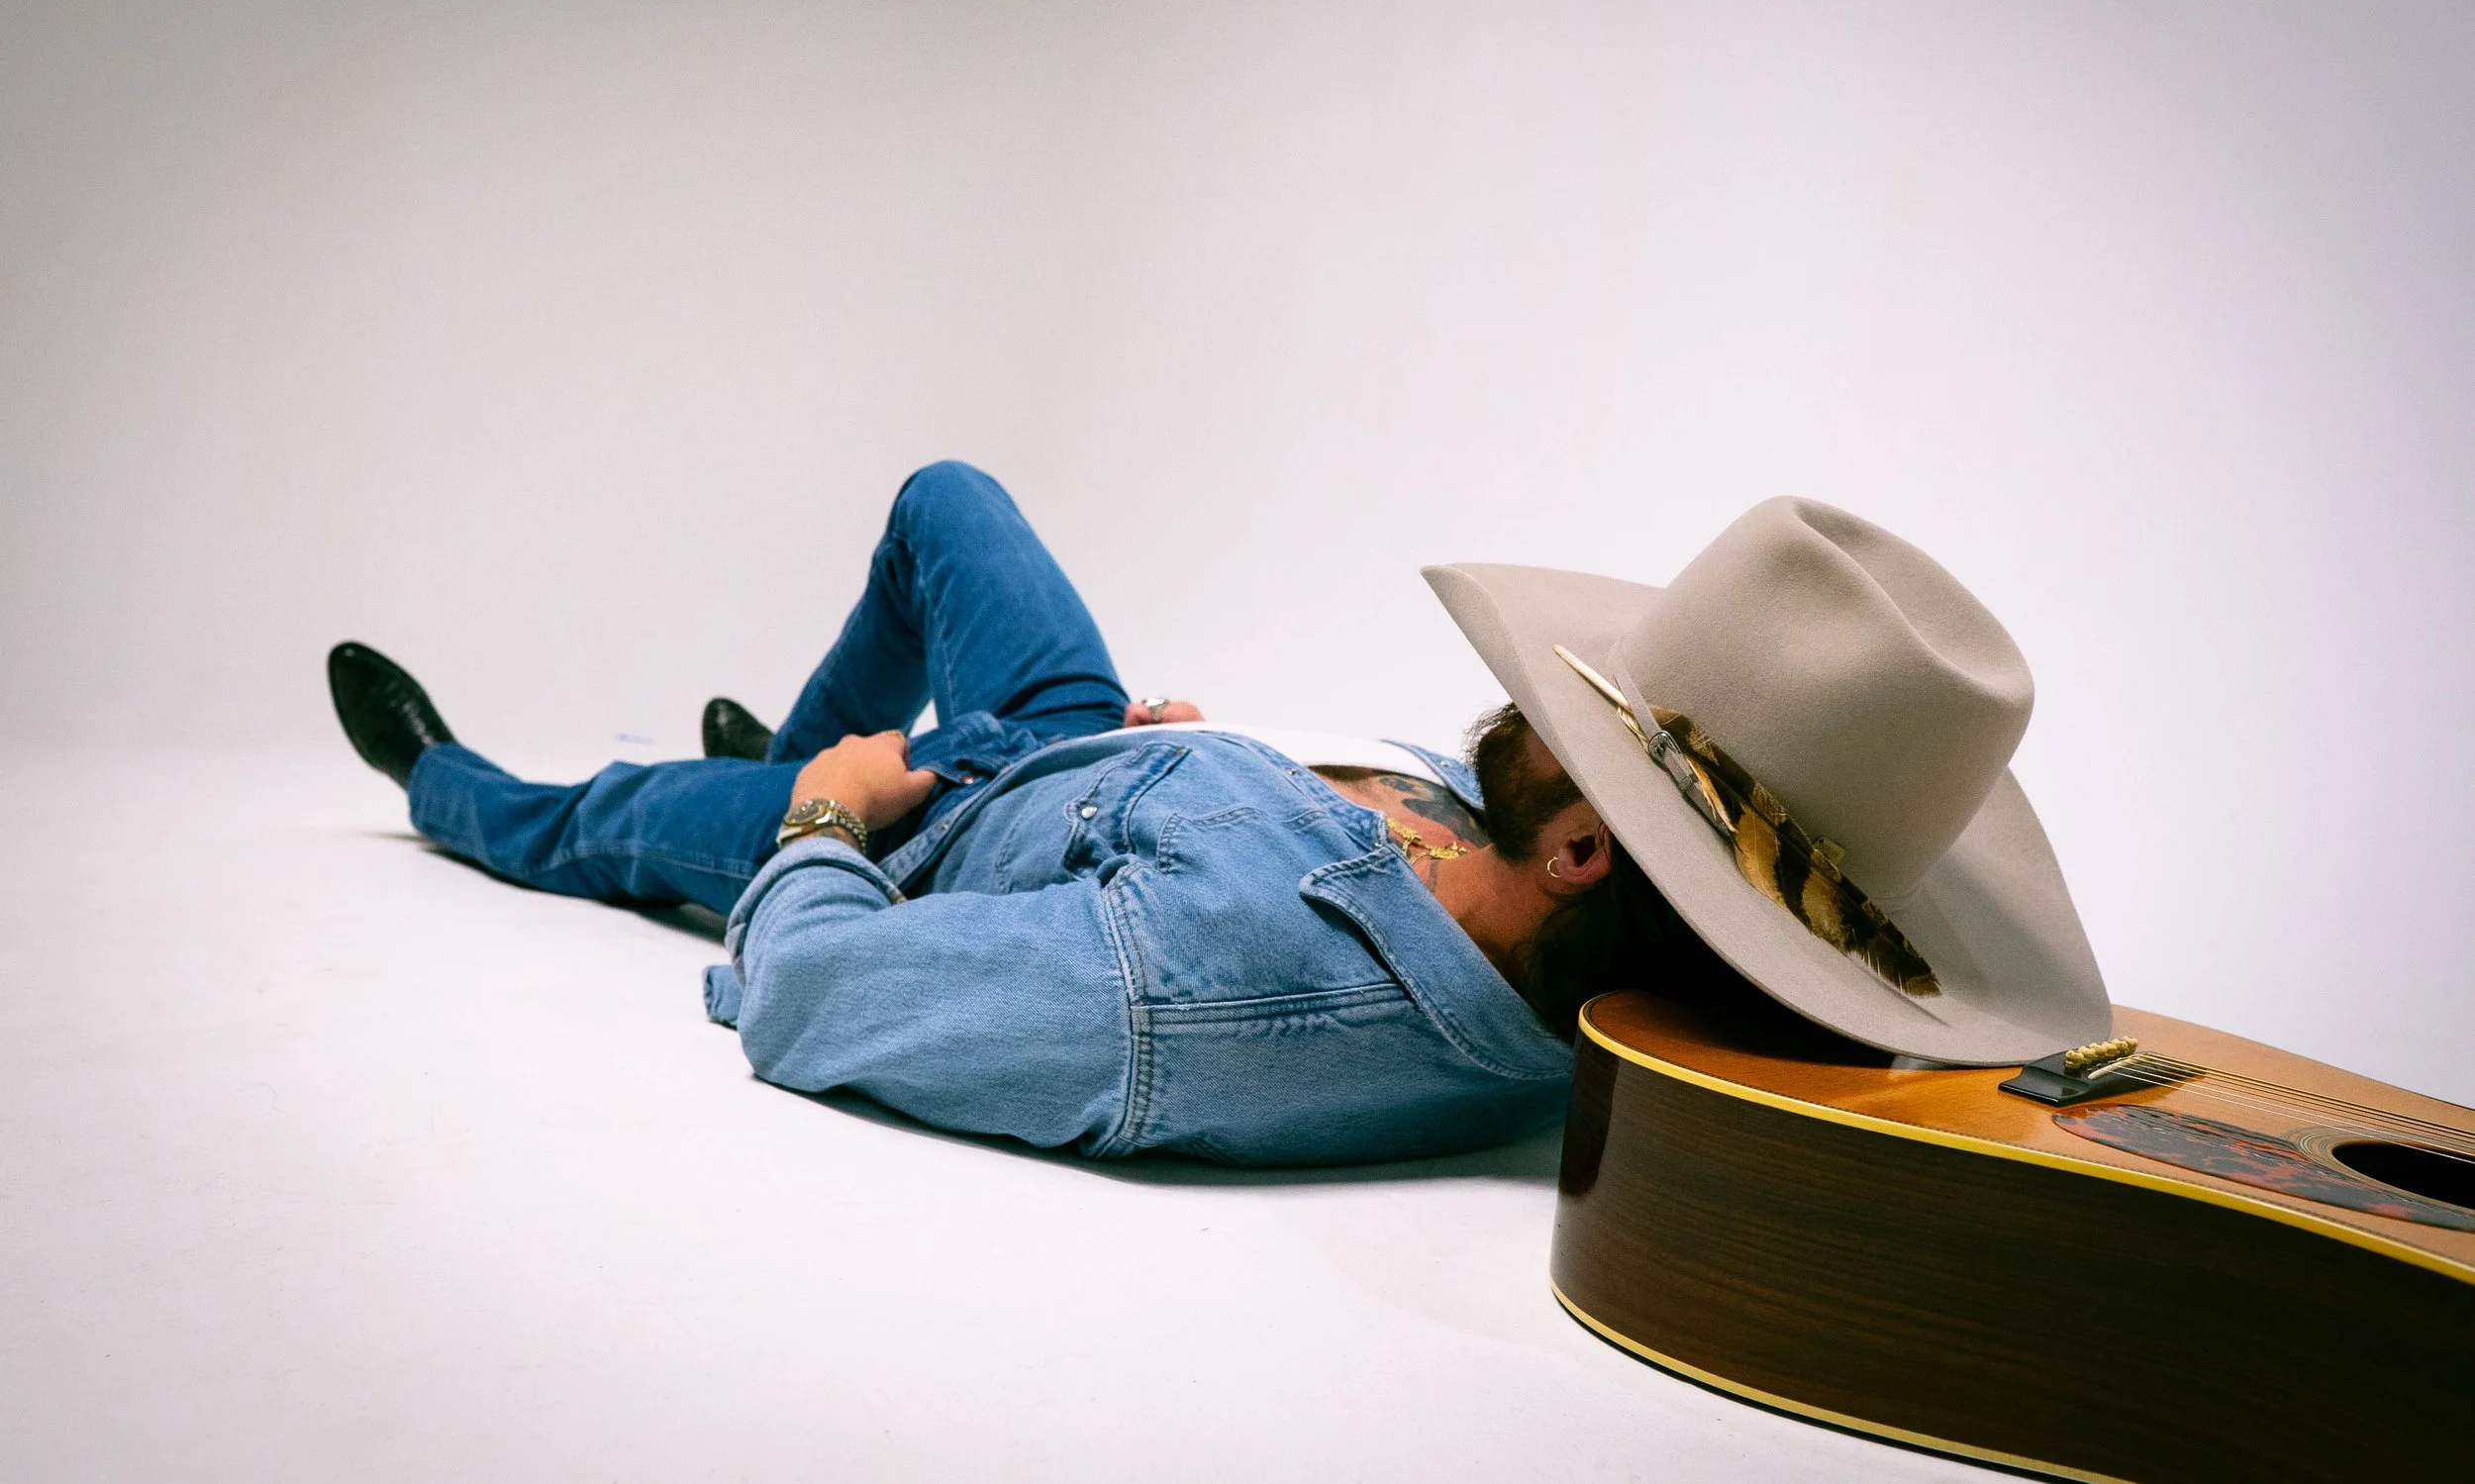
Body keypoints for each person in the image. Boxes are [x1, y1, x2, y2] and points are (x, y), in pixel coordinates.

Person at [329, 461, 1714, 1165]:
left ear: (1582, 850)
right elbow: (1323, 836)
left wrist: (824, 817)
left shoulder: (1208, 982)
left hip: (918, 824)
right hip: (1077, 748)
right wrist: (1218, 755)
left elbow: (811, 993)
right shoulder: (1531, 897)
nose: (1532, 692)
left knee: (602, 819)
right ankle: (793, 750)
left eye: (1578, 720)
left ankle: (444, 781)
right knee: (947, 501)